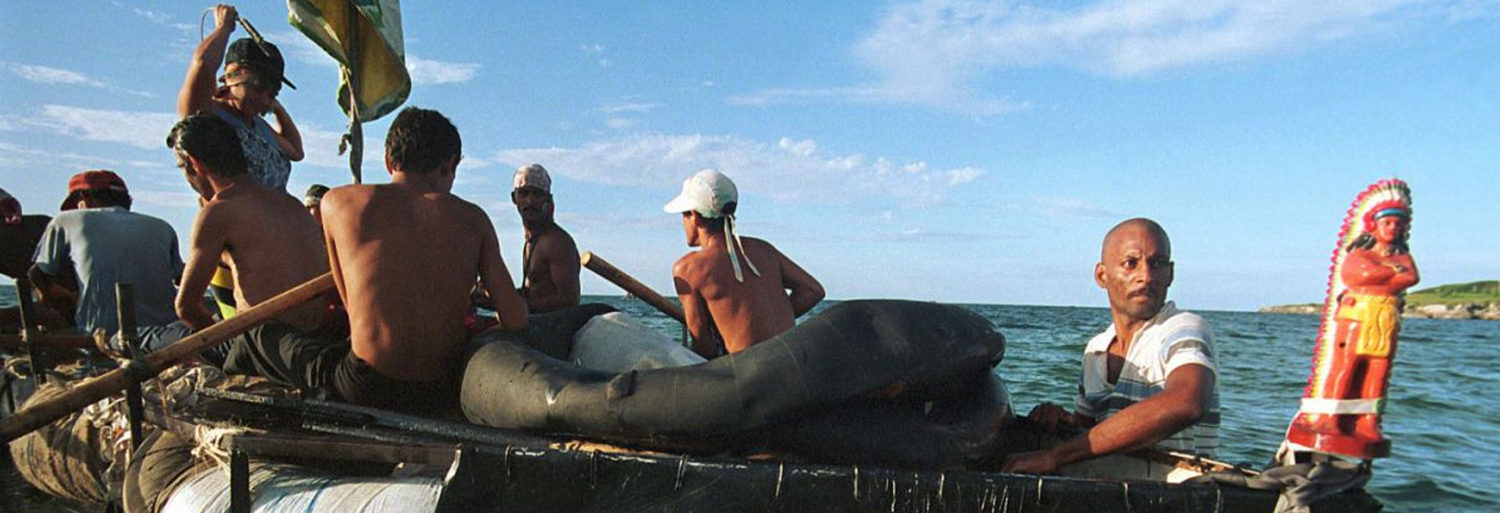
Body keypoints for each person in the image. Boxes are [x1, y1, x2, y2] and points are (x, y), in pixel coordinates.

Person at [242, 106, 526, 414]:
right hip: (439, 388)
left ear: (389, 161)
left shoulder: (337, 203)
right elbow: (516, 319)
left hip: (366, 386)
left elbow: (352, 305)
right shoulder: (474, 219)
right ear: (450, 165)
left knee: (260, 333)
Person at [1004, 218, 1219, 479]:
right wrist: (1061, 419)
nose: (1146, 276)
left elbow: (1187, 402)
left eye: (1158, 264)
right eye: (1131, 263)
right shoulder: (1096, 350)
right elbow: (1090, 431)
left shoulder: (1182, 328)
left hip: (1179, 498)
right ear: (1102, 276)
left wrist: (1054, 456)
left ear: (1170, 274)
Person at [168, 114, 331, 344]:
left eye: (182, 167)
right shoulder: (292, 204)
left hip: (265, 343)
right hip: (312, 334)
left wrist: (223, 341)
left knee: (156, 336)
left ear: (194, 164)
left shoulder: (218, 212)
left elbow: (186, 307)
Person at [665, 169, 824, 357]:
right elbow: (813, 290)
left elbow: (703, 347)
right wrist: (768, 326)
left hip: (749, 375)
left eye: (684, 215)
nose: (683, 222)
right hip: (791, 359)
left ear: (695, 216)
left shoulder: (688, 269)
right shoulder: (764, 249)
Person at [28, 171, 183, 338]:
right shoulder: (161, 227)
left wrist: (50, 300)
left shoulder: (66, 220)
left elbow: (37, 274)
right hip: (166, 334)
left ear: (84, 198)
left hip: (102, 335)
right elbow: (180, 278)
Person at [178, 4, 303, 192]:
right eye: (260, 85)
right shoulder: (207, 116)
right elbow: (203, 65)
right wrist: (224, 28)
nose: (265, 97)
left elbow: (296, 151)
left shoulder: (258, 126)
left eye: (274, 90)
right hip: (238, 218)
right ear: (232, 75)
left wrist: (277, 108)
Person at [509, 163, 580, 313]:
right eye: (524, 193)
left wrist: (518, 305)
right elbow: (535, 291)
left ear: (547, 199)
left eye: (537, 194)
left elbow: (569, 300)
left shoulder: (556, 242)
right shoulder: (532, 240)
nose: (530, 201)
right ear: (514, 198)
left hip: (550, 330)